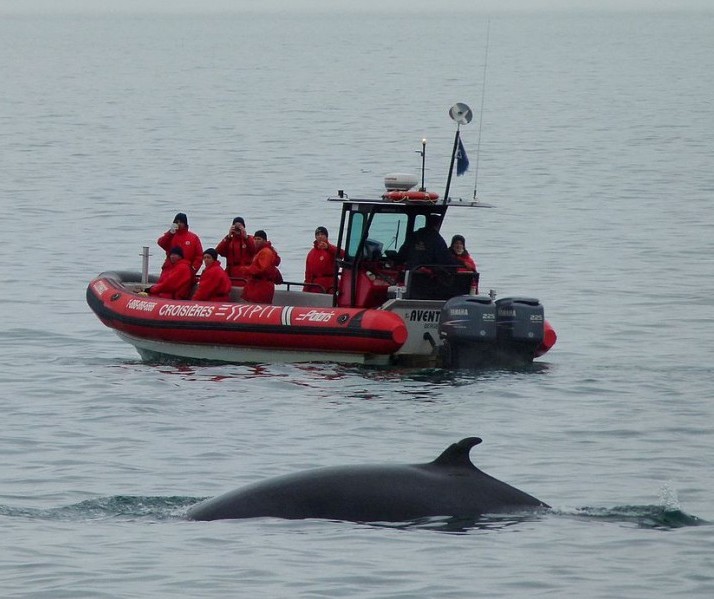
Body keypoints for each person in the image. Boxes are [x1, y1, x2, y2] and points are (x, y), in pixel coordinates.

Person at [240, 230, 282, 304]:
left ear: (265, 240)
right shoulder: (261, 251)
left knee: (259, 306)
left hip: (262, 286)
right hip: (258, 285)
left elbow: (261, 268)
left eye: (259, 239)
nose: (256, 241)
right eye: (255, 239)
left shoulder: (266, 252)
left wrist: (245, 270)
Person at [303, 226, 341, 293]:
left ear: (326, 236)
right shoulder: (311, 253)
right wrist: (305, 289)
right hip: (315, 286)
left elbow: (342, 254)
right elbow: (308, 274)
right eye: (318, 235)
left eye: (322, 234)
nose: (320, 236)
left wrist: (328, 247)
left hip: (330, 286)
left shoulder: (332, 250)